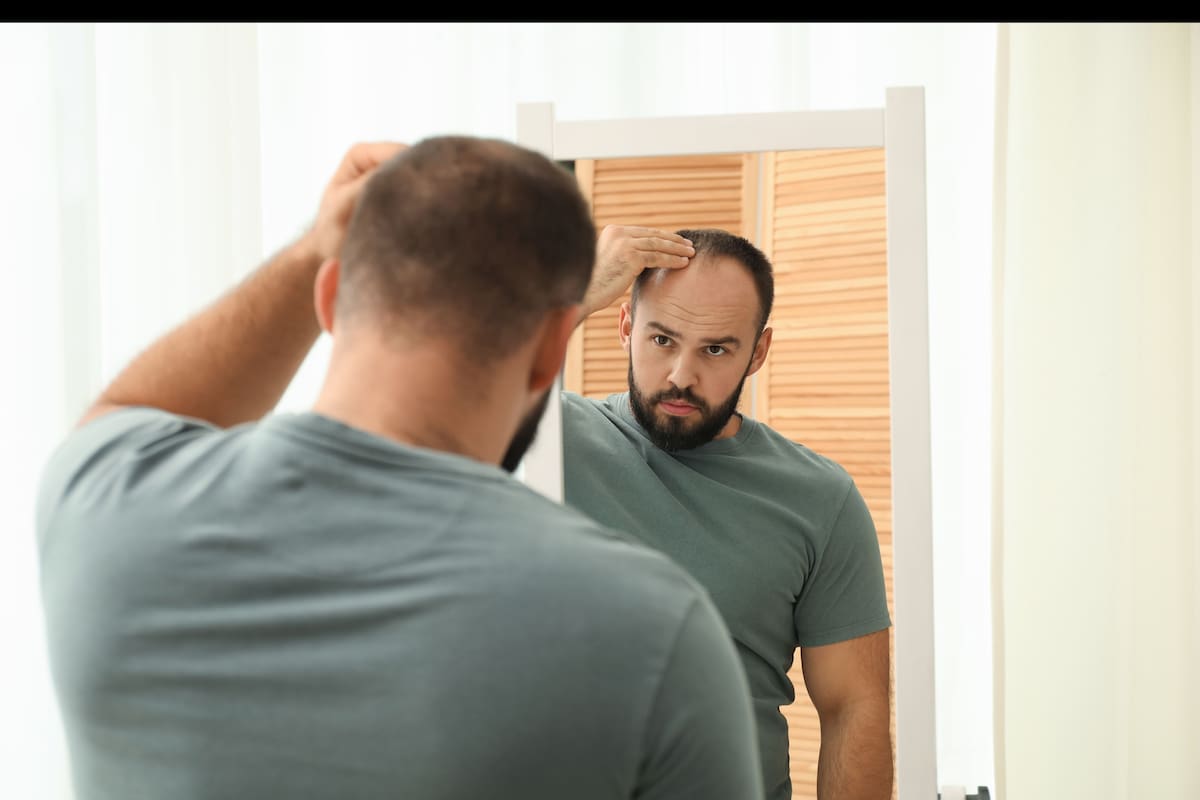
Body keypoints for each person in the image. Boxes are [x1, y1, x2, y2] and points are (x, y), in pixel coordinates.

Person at [34, 139, 765, 800]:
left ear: (328, 299)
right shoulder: (655, 635)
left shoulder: (106, 506)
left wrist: (312, 248)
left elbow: (133, 406)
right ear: (555, 346)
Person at [560, 224, 894, 800]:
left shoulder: (820, 498)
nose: (681, 376)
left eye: (715, 349)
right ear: (623, 326)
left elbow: (853, 710)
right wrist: (570, 296)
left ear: (757, 352)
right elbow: (427, 401)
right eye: (662, 340)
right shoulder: (548, 438)